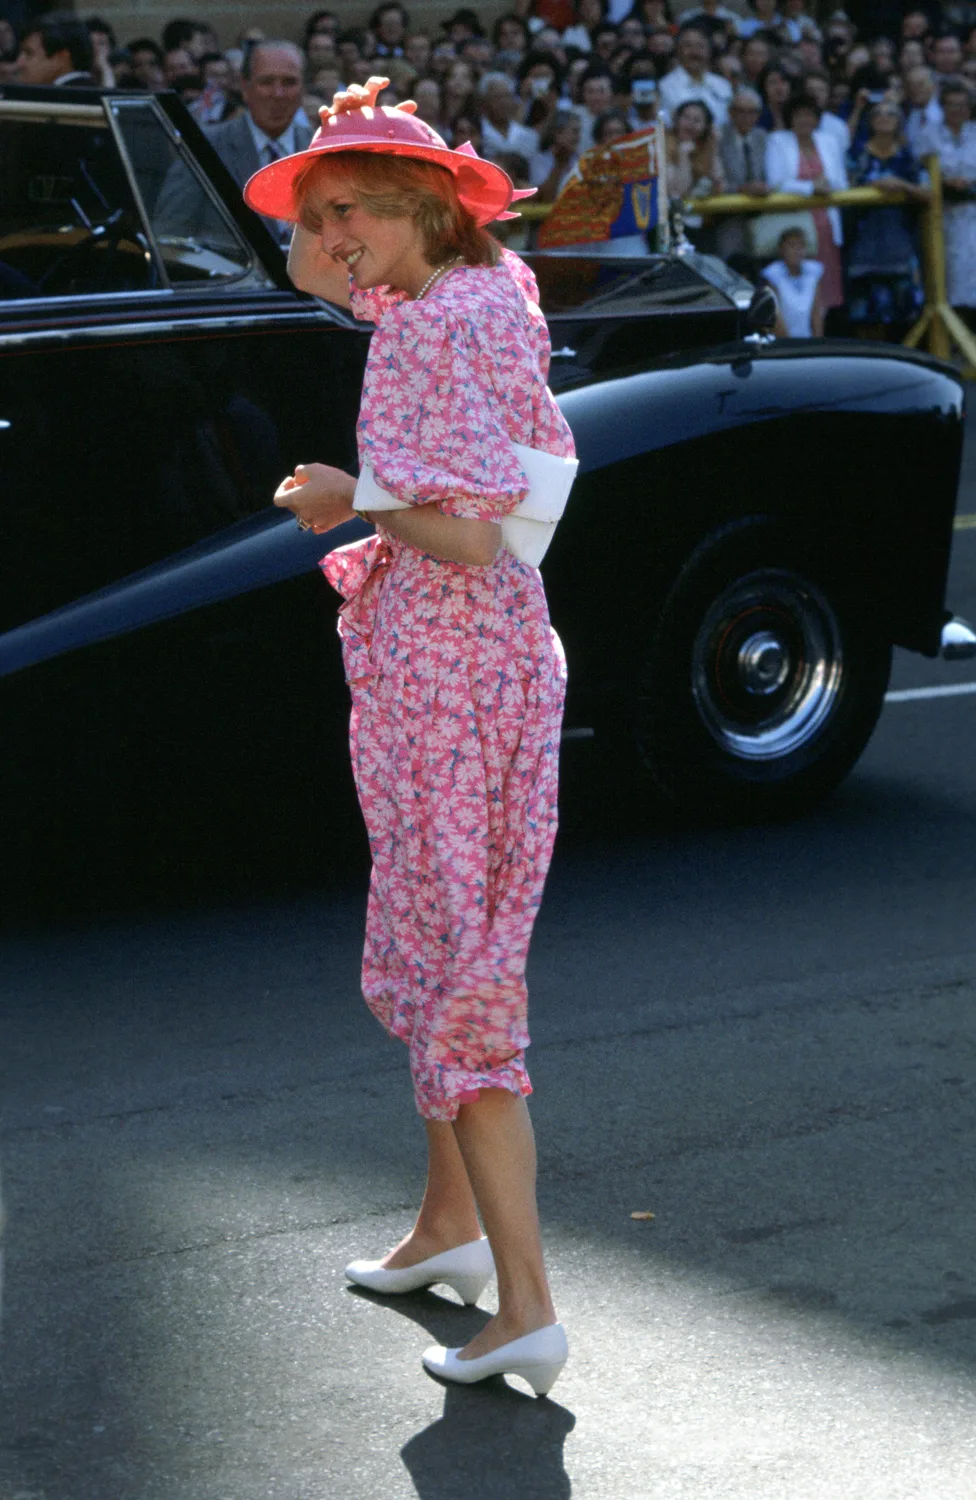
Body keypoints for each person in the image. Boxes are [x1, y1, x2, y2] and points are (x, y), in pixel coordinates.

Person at [246, 75, 573, 1397]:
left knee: (462, 984)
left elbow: (474, 527)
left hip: (452, 676)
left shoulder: (428, 332)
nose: (326, 242)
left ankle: (530, 1306)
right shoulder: (490, 289)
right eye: (323, 217)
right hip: (485, 663)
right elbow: (300, 270)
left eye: (347, 216)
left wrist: (350, 493)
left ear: (420, 206)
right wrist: (339, 143)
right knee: (441, 954)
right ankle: (449, 1235)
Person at [207, 41, 313, 238]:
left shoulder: (323, 148)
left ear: (303, 89)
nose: (278, 94)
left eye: (289, 82)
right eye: (266, 82)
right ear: (245, 87)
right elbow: (174, 233)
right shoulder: (207, 146)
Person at [845, 98, 928, 333]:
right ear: (869, 122)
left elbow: (928, 192)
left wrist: (901, 185)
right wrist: (874, 188)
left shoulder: (907, 158)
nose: (884, 117)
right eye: (878, 114)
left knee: (905, 316)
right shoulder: (856, 155)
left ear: (898, 122)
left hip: (900, 244)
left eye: (890, 114)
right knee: (866, 318)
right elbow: (843, 188)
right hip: (863, 246)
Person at [765, 93, 847, 311]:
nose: (804, 120)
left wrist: (826, 184)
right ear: (790, 118)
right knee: (795, 290)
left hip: (826, 224)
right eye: (799, 115)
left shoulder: (828, 141)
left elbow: (841, 181)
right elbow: (776, 182)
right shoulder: (777, 140)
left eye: (809, 115)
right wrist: (811, 187)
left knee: (826, 287)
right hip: (794, 222)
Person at [921, 82, 976, 308]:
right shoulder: (928, 133)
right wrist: (945, 182)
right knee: (949, 273)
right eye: (952, 105)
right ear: (942, 107)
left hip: (972, 207)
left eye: (962, 105)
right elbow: (921, 171)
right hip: (942, 211)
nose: (957, 110)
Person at [658, 24, 733, 128]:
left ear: (709, 51)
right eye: (688, 46)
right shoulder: (664, 86)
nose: (695, 52)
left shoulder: (723, 85)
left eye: (700, 46)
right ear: (678, 51)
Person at [762, 225, 824, 335]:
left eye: (801, 246)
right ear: (781, 249)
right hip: (784, 344)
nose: (797, 251)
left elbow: (816, 314)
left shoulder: (813, 273)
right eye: (792, 246)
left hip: (808, 342)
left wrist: (817, 345)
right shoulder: (773, 276)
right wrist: (792, 347)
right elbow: (776, 318)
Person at [15, 11, 95, 85]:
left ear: (61, 58)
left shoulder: (55, 98)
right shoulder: (99, 94)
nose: (19, 63)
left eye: (29, 53)